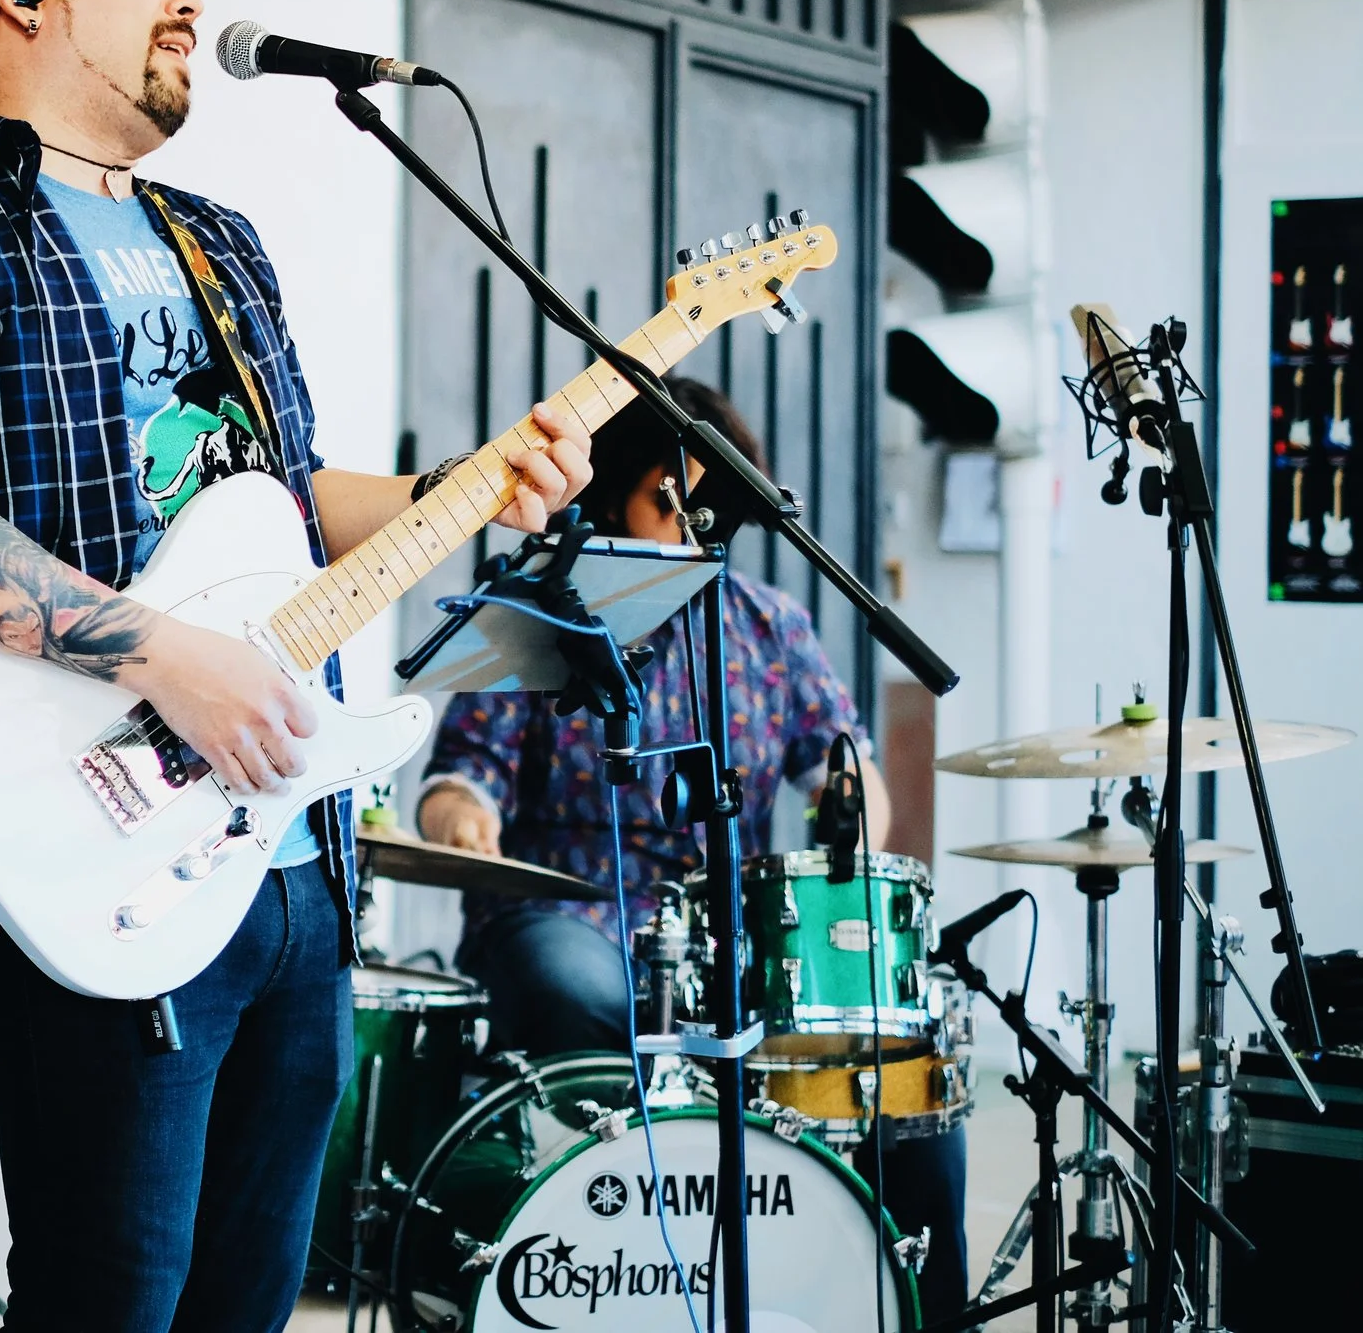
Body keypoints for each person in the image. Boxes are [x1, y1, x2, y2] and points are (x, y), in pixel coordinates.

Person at [0, 0, 593, 1332]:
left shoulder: (214, 240)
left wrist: (472, 489)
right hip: (101, 836)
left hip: (292, 846)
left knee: (248, 1304)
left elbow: (289, 504)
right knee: (111, 1300)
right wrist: (170, 659)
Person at [414, 374, 967, 1322]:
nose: (690, 521)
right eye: (665, 497)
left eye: (707, 501)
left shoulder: (769, 625)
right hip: (564, 910)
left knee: (904, 1082)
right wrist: (462, 813)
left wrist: (853, 806)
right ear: (612, 485)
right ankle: (628, 1259)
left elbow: (845, 768)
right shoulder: (537, 606)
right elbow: (461, 778)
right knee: (578, 990)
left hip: (731, 941)